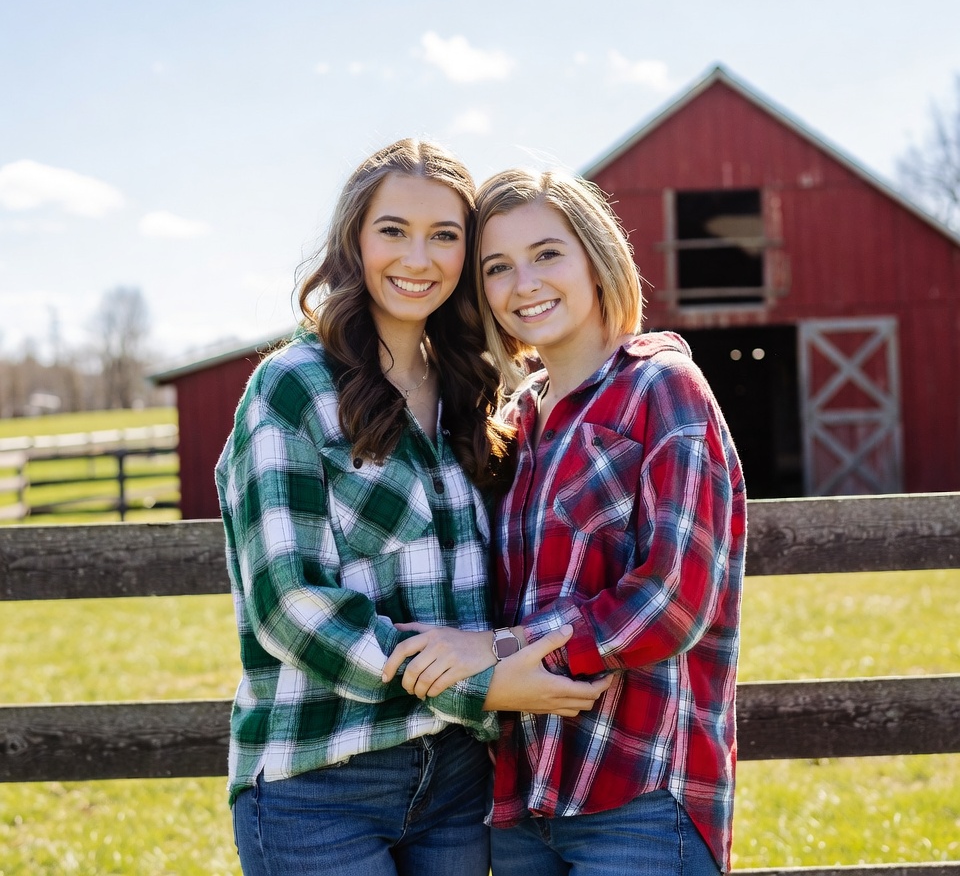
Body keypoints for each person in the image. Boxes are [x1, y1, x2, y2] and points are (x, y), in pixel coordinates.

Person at [215, 140, 609, 876]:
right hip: (322, 779)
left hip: (459, 782)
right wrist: (481, 683)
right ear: (354, 241)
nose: (418, 259)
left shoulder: (480, 391)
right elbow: (287, 601)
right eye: (393, 231)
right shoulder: (292, 388)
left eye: (445, 236)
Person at [386, 167, 746, 874]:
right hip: (522, 807)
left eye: (547, 253)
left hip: (639, 795)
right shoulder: (515, 422)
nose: (525, 283)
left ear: (596, 255)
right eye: (498, 267)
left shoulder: (662, 389)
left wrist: (494, 651)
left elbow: (672, 603)